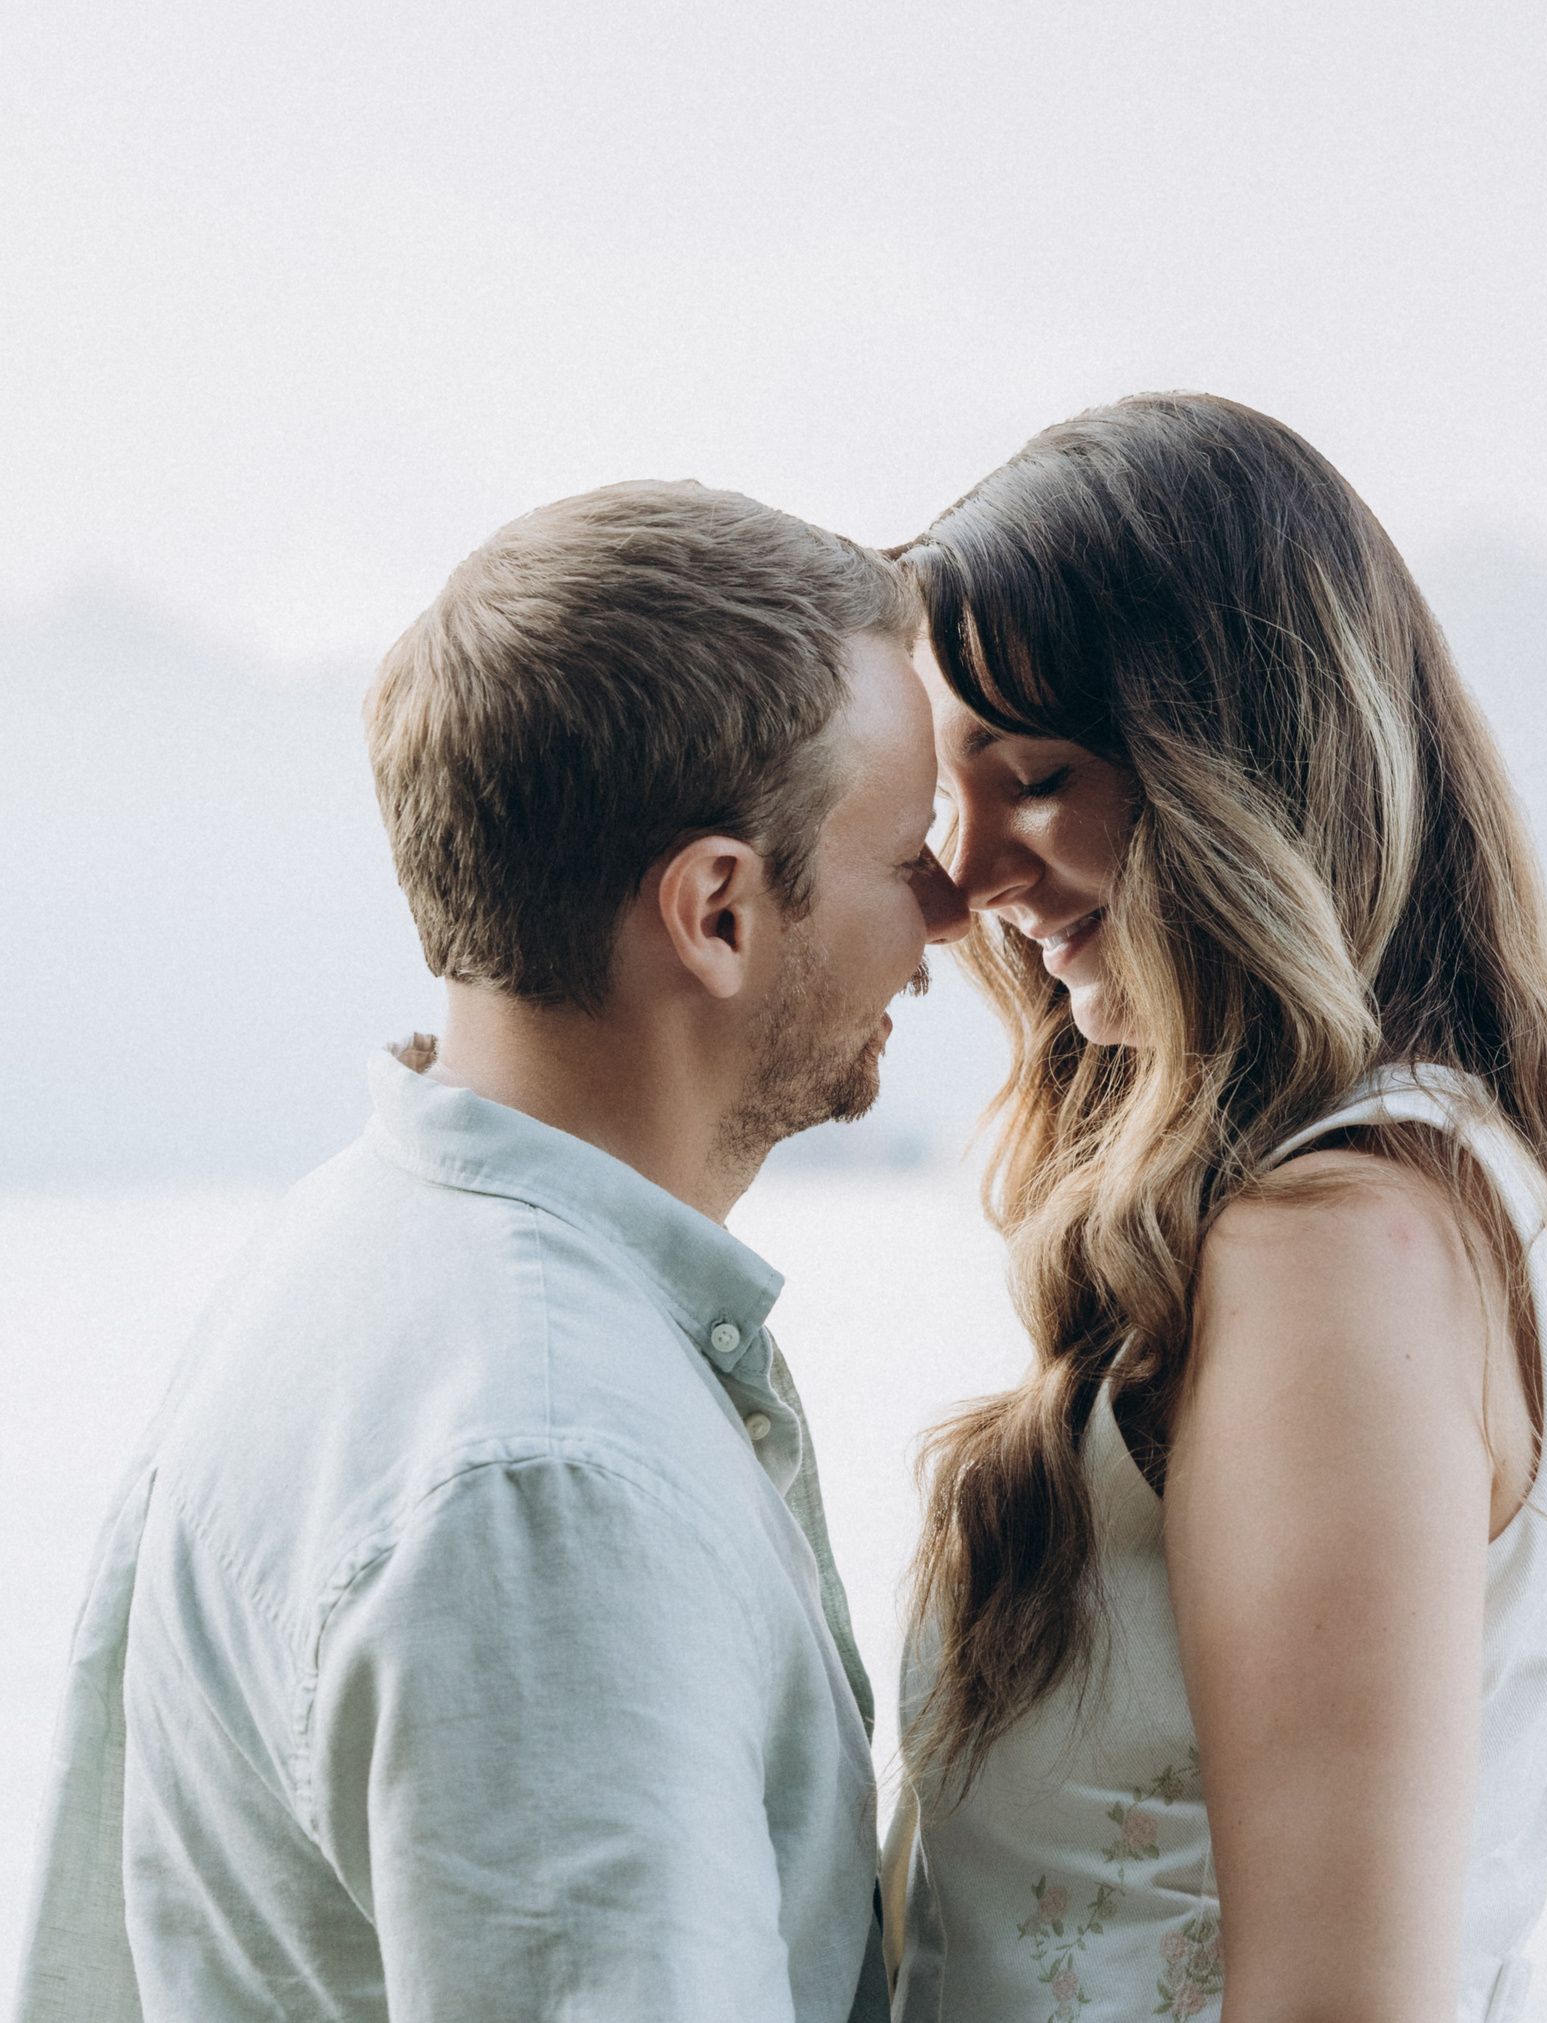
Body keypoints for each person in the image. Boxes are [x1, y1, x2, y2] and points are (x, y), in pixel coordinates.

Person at [11, 481, 967, 2023]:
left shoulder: (337, 1264)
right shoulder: (554, 1478)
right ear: (718, 910)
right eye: (908, 857)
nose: (954, 916)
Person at [887, 394, 1547, 2023]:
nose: (971, 878)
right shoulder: (1426, 1192)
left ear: (1241, 770)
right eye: (955, 790)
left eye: (1040, 776)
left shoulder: (1336, 1247)